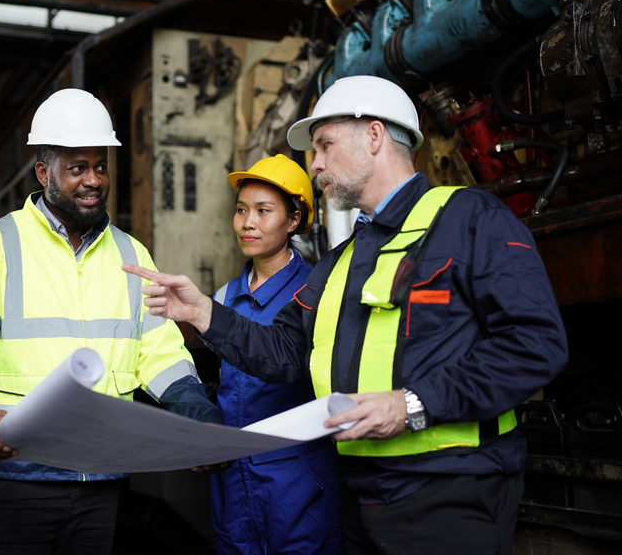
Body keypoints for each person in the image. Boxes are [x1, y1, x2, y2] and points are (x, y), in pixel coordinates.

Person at [124, 75, 568, 554]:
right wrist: (206, 313)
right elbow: (286, 352)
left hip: (451, 489)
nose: (314, 165)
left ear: (374, 136)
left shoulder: (471, 218)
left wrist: (411, 404)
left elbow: (536, 344)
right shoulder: (339, 263)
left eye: (324, 146)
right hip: (360, 499)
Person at [0, 88, 223, 555]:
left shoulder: (132, 254)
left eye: (100, 165)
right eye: (77, 168)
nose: (93, 180)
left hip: (100, 475)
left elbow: (158, 352)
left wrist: (197, 411)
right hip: (18, 476)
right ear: (43, 173)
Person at [210, 154, 342, 555]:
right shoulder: (222, 300)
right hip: (232, 477)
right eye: (241, 210)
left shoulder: (317, 294)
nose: (248, 222)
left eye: (263, 211)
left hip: (297, 479)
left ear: (294, 219)